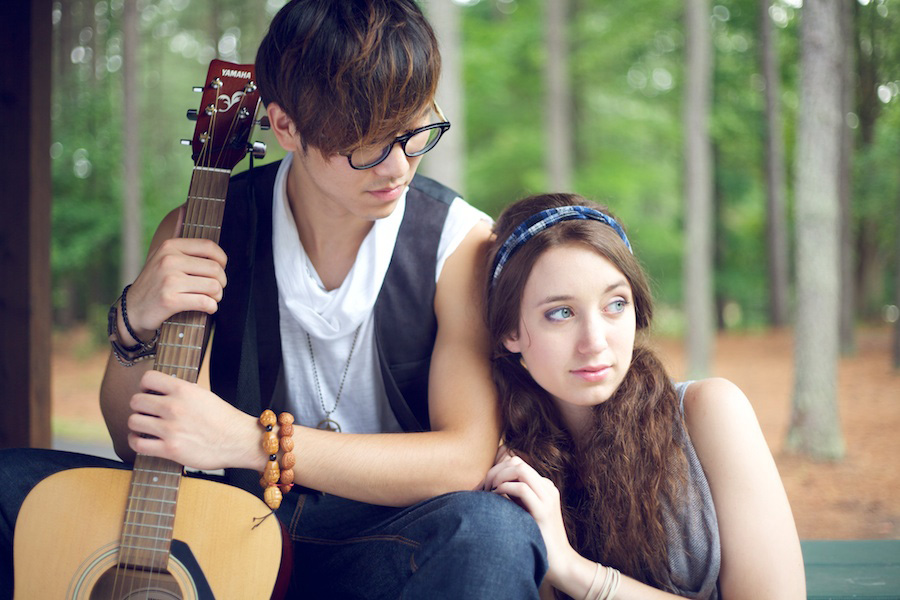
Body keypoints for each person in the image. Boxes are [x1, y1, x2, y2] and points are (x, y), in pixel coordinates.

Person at [0, 1, 547, 597]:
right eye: (365, 146)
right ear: (286, 128)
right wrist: (134, 319)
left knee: (493, 531)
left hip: (381, 534)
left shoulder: (458, 245)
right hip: (225, 523)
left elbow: (464, 458)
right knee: (10, 489)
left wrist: (250, 442)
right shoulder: (204, 228)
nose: (397, 166)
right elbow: (136, 441)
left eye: (414, 133)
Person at [481, 193, 806, 599]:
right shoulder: (511, 467)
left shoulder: (708, 413)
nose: (594, 342)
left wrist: (574, 571)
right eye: (561, 312)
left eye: (615, 304)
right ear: (511, 331)